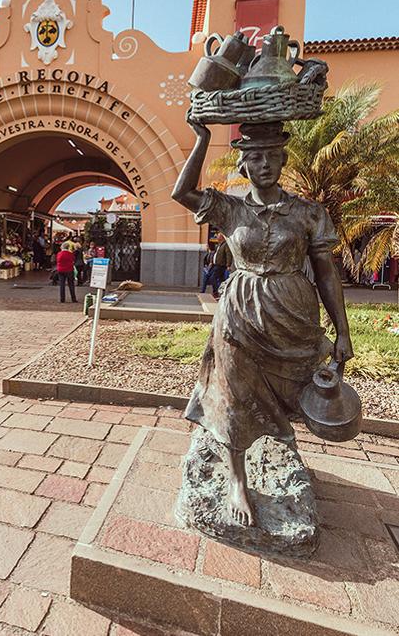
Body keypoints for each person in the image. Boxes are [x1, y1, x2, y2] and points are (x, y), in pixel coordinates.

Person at [172, 119, 354, 528]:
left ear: (283, 160)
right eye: (255, 157)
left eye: (272, 156)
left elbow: (326, 273)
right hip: (239, 316)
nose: (265, 164)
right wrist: (202, 138)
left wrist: (342, 330)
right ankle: (237, 479)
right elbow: (181, 192)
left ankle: (277, 449)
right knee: (235, 394)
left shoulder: (308, 213)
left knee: (291, 392)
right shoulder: (230, 208)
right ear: (243, 166)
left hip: (292, 315)